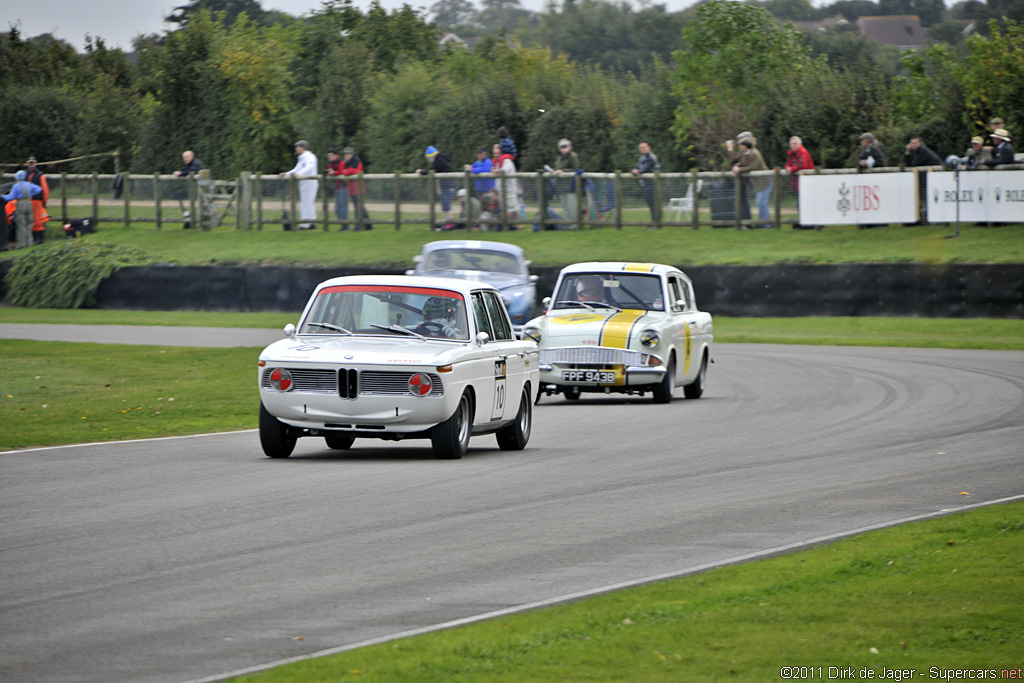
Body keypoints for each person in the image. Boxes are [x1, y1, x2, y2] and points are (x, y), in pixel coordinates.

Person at [732, 139, 770, 227]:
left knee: (761, 203)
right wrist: (737, 165)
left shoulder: (755, 153)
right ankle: (763, 223)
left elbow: (753, 166)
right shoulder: (746, 154)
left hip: (765, 182)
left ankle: (766, 225)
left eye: (741, 145)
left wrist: (739, 169)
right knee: (760, 202)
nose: (740, 147)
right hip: (759, 183)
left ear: (745, 146)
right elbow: (742, 163)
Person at [281, 140, 319, 229]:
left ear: (303, 147)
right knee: (308, 202)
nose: (296, 148)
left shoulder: (310, 157)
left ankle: (304, 224)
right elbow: (297, 169)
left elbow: (309, 167)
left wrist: (299, 174)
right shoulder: (301, 158)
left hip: (310, 182)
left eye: (298, 147)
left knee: (307, 203)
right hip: (303, 183)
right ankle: (312, 222)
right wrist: (286, 173)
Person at [332, 146, 372, 230]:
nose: (347, 155)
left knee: (358, 206)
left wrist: (346, 172)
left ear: (352, 154)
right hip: (352, 188)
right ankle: (369, 223)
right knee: (359, 206)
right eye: (345, 154)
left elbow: (355, 171)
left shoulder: (356, 161)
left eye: (348, 153)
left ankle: (358, 225)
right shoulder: (347, 163)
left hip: (358, 188)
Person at [2, 171, 43, 249]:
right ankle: (30, 243)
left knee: (21, 225)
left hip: (20, 204)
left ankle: (22, 244)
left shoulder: (16, 186)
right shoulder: (29, 184)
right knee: (29, 224)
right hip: (29, 203)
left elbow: (10, 197)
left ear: (17, 178)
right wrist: (31, 194)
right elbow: (39, 189)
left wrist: (2, 196)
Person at [784, 136, 815, 230]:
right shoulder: (792, 154)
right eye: (792, 144)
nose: (793, 146)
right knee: (800, 203)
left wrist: (791, 169)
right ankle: (803, 221)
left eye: (795, 144)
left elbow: (802, 165)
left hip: (806, 182)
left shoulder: (803, 152)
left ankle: (809, 223)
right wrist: (787, 167)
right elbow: (789, 164)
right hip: (798, 183)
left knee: (805, 203)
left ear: (799, 144)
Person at [417, 146, 454, 223]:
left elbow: (431, 170)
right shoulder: (441, 159)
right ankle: (448, 222)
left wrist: (421, 171)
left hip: (447, 186)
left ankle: (450, 223)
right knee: (445, 205)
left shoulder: (439, 161)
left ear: (432, 157)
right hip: (447, 186)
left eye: (428, 159)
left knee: (446, 206)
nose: (428, 161)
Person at [492, 143, 522, 230]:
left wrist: (496, 171)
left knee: (513, 208)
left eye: (498, 153)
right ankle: (508, 226)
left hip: (509, 190)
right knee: (505, 209)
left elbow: (503, 171)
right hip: (501, 190)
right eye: (494, 153)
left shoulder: (506, 161)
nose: (496, 155)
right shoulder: (496, 163)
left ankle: (517, 226)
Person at [172, 150, 204, 228]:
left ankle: (205, 223)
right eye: (184, 157)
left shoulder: (195, 163)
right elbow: (184, 169)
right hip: (199, 187)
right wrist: (179, 172)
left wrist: (180, 174)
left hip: (205, 187)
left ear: (192, 156)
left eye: (187, 157)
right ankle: (194, 222)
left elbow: (191, 171)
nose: (185, 159)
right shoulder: (189, 164)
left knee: (205, 205)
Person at [631, 140, 660, 226]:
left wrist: (637, 171)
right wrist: (633, 170)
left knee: (653, 204)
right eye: (640, 147)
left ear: (648, 148)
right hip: (645, 184)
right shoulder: (642, 157)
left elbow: (644, 169)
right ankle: (654, 222)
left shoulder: (651, 157)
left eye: (644, 147)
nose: (642, 149)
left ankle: (655, 223)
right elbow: (637, 167)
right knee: (650, 204)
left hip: (651, 185)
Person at [553, 139, 581, 219]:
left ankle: (574, 224)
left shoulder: (573, 156)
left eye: (565, 147)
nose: (563, 149)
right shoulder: (559, 157)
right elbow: (557, 168)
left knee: (572, 206)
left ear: (569, 147)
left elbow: (576, 169)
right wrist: (554, 170)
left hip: (570, 186)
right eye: (562, 147)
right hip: (561, 186)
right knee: (565, 206)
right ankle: (568, 223)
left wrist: (563, 171)